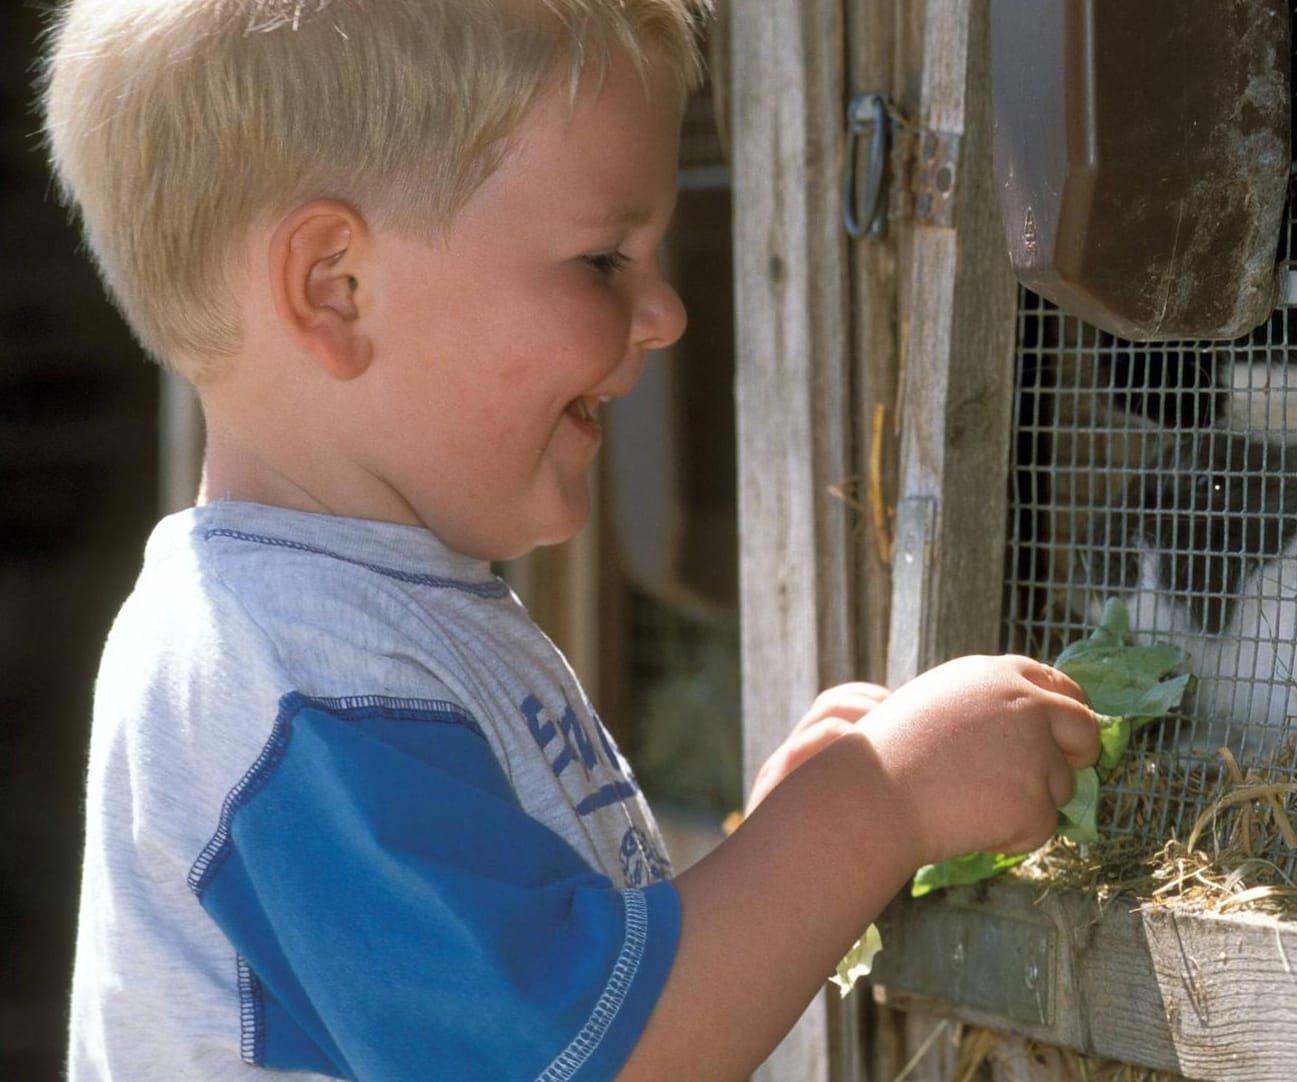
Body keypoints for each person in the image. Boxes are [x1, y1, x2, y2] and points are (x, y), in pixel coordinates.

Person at [42, 1, 1101, 1079]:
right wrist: (876, 804)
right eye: (603, 260)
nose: (667, 312)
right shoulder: (295, 668)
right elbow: (590, 1054)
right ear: (336, 288)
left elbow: (578, 994)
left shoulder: (341, 624)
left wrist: (776, 851)